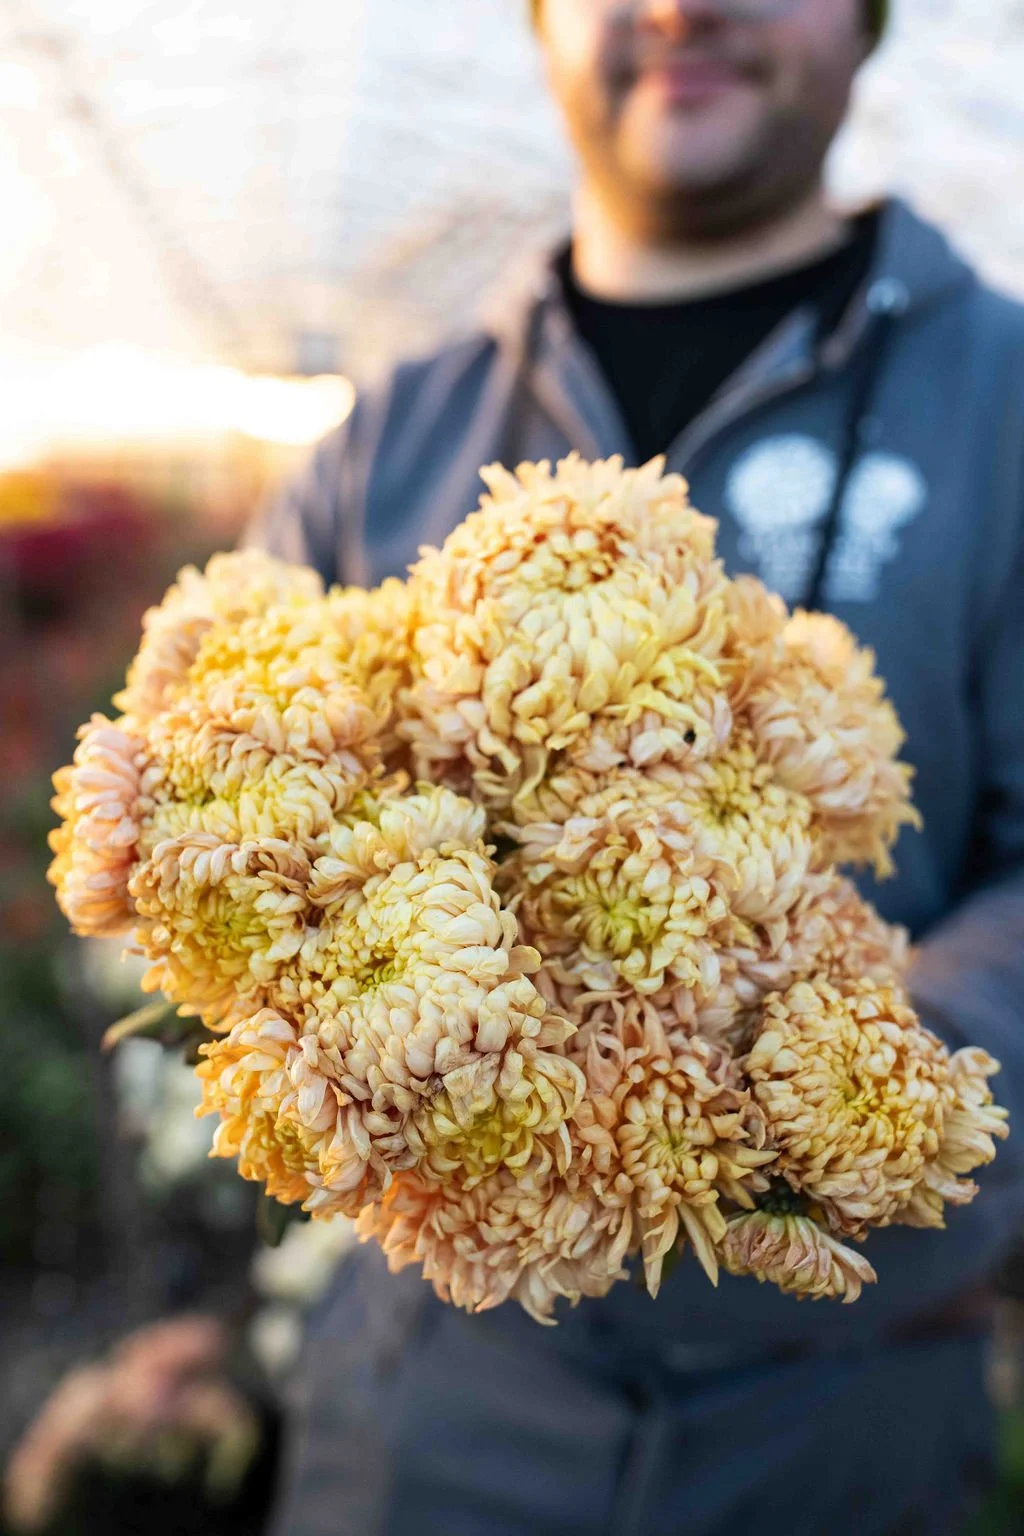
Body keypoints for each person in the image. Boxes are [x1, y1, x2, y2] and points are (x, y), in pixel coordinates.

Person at [251, 2, 1024, 1531]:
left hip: (839, 1401)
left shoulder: (1001, 406)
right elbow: (240, 788)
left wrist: (861, 1066)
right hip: (436, 1410)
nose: (685, 6)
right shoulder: (388, 438)